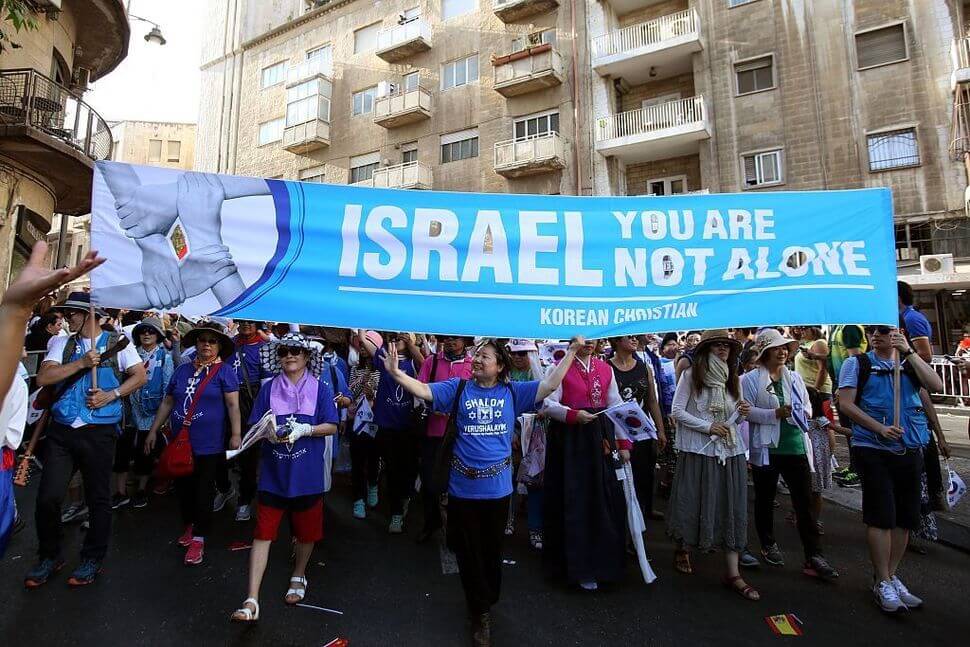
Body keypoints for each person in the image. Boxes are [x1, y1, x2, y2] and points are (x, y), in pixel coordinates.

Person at [381, 337, 582, 647]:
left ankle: (485, 599)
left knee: (491, 553)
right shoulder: (458, 388)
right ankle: (480, 612)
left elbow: (549, 385)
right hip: (463, 490)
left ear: (499, 366)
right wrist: (396, 373)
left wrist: (571, 352)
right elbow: (424, 390)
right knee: (468, 552)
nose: (476, 360)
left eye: (484, 357)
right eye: (476, 356)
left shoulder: (513, 392)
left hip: (498, 491)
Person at [25, 292, 146, 588]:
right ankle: (49, 555)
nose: (69, 317)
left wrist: (111, 394)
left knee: (98, 498)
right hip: (62, 431)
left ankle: (93, 557)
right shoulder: (62, 343)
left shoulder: (119, 344)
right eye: (67, 313)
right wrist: (80, 364)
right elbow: (44, 378)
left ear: (92, 315)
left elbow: (139, 376)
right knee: (48, 497)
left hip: (99, 432)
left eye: (75, 313)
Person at [230, 333, 339, 623]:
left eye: (295, 351)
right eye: (283, 352)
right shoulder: (267, 390)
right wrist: (265, 432)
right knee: (262, 534)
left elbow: (331, 425)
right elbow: (256, 424)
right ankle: (251, 599)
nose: (289, 355)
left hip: (307, 476)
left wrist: (307, 430)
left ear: (306, 357)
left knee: (306, 533)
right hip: (273, 474)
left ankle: (299, 574)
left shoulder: (321, 389)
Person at [837, 325, 943, 613]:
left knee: (905, 517)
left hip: (910, 447)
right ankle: (882, 580)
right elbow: (844, 403)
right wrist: (879, 428)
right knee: (881, 515)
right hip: (873, 449)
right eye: (873, 331)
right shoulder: (856, 363)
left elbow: (935, 387)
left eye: (884, 330)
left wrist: (909, 352)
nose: (877, 335)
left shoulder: (909, 363)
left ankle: (893, 575)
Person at [666, 330, 757, 600]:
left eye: (726, 347)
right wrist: (708, 427)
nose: (722, 351)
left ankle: (733, 572)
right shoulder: (691, 375)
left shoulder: (733, 379)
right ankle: (683, 547)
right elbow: (677, 411)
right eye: (717, 346)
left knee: (731, 505)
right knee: (692, 499)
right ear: (706, 350)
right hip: (698, 450)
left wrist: (740, 414)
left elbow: (736, 421)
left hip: (730, 451)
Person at [742, 329, 839, 580]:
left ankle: (814, 554)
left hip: (795, 446)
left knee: (804, 502)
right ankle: (768, 543)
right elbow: (746, 411)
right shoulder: (750, 380)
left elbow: (806, 406)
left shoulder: (794, 378)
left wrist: (800, 414)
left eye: (785, 347)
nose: (783, 351)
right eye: (777, 347)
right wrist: (774, 414)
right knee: (765, 499)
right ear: (765, 352)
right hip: (766, 448)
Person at [144, 321, 241, 566]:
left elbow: (233, 405)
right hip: (181, 443)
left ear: (219, 346)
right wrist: (153, 430)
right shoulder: (182, 370)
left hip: (209, 444)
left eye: (212, 341)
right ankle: (189, 524)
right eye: (202, 340)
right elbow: (167, 402)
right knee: (184, 488)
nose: (206, 344)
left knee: (203, 490)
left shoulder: (225, 372)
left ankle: (200, 537)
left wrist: (236, 434)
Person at [542, 338, 632, 592]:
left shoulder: (605, 369)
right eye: (584, 339)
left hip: (599, 437)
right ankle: (576, 566)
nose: (590, 344)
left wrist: (623, 442)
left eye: (595, 339)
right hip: (569, 440)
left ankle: (602, 565)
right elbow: (548, 404)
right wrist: (572, 415)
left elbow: (615, 405)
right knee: (573, 498)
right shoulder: (557, 367)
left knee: (603, 498)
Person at [357, 329, 425, 534]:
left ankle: (403, 502)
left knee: (406, 471)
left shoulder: (413, 363)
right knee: (391, 470)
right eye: (394, 337)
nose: (397, 339)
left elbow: (424, 365)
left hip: (408, 427)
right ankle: (396, 514)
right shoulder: (384, 358)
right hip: (385, 426)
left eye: (402, 336)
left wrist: (412, 344)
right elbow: (362, 339)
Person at [415, 334, 473, 543]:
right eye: (447, 338)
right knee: (430, 483)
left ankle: (456, 531)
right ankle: (431, 523)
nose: (450, 341)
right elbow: (419, 390)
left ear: (465, 342)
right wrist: (432, 407)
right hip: (433, 433)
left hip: (461, 437)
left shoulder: (473, 365)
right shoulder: (431, 362)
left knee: (458, 486)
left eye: (455, 338)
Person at [112, 316, 173, 509]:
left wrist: (161, 422)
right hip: (128, 411)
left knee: (145, 453)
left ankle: (141, 489)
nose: (146, 334)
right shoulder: (130, 353)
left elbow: (167, 390)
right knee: (122, 450)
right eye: (143, 331)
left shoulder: (165, 357)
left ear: (158, 335)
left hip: (151, 413)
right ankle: (120, 492)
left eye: (151, 331)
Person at [608, 335, 667, 520]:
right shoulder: (606, 367)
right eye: (630, 337)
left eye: (636, 337)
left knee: (644, 473)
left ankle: (642, 513)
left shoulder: (644, 367)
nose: (635, 340)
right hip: (615, 429)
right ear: (617, 340)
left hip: (640, 430)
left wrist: (660, 429)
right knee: (618, 476)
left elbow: (651, 400)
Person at [227, 319, 270, 522]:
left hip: (249, 400)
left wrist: (261, 412)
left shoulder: (263, 348)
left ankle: (244, 499)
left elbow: (266, 384)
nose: (245, 325)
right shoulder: (229, 344)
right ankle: (224, 487)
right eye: (241, 321)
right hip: (225, 399)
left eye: (250, 322)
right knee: (219, 448)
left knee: (247, 454)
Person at [507, 339, 546, 550]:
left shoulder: (543, 376)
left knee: (535, 483)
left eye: (522, 354)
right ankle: (507, 520)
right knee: (507, 480)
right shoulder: (505, 376)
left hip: (536, 438)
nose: (516, 357)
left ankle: (535, 528)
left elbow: (549, 404)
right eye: (513, 353)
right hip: (508, 435)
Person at [348, 331, 383, 519]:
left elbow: (384, 394)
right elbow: (349, 393)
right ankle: (358, 499)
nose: (362, 349)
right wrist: (362, 382)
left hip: (375, 421)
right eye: (360, 345)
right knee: (358, 460)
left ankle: (373, 486)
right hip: (357, 421)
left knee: (373, 457)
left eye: (366, 345)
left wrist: (373, 395)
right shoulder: (355, 368)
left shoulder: (382, 369)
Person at [828, 324, 867, 488]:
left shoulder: (850, 327)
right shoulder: (837, 327)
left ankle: (859, 470)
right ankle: (853, 466)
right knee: (847, 430)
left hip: (847, 386)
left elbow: (856, 356)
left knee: (854, 431)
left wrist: (843, 386)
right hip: (840, 383)